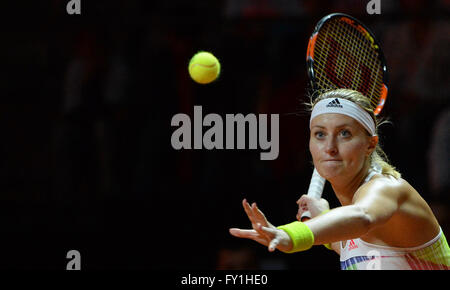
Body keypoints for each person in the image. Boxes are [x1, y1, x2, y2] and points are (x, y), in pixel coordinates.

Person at [229, 89, 450, 270]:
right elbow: (351, 241)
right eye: (320, 134)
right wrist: (322, 219)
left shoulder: (387, 188)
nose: (330, 147)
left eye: (345, 133)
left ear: (370, 144)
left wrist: (291, 235)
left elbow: (362, 216)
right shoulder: (351, 228)